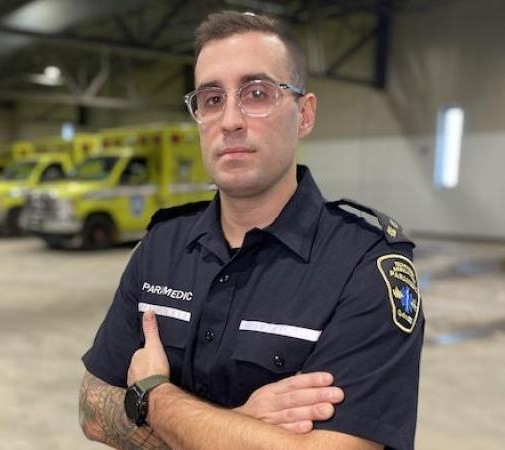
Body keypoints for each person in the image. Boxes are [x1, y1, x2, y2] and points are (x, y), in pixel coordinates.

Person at [79, 10, 423, 450]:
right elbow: (91, 408)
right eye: (211, 99)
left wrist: (156, 396)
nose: (230, 121)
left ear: (304, 114)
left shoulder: (365, 266)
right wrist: (236, 424)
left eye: (257, 93)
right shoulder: (163, 245)